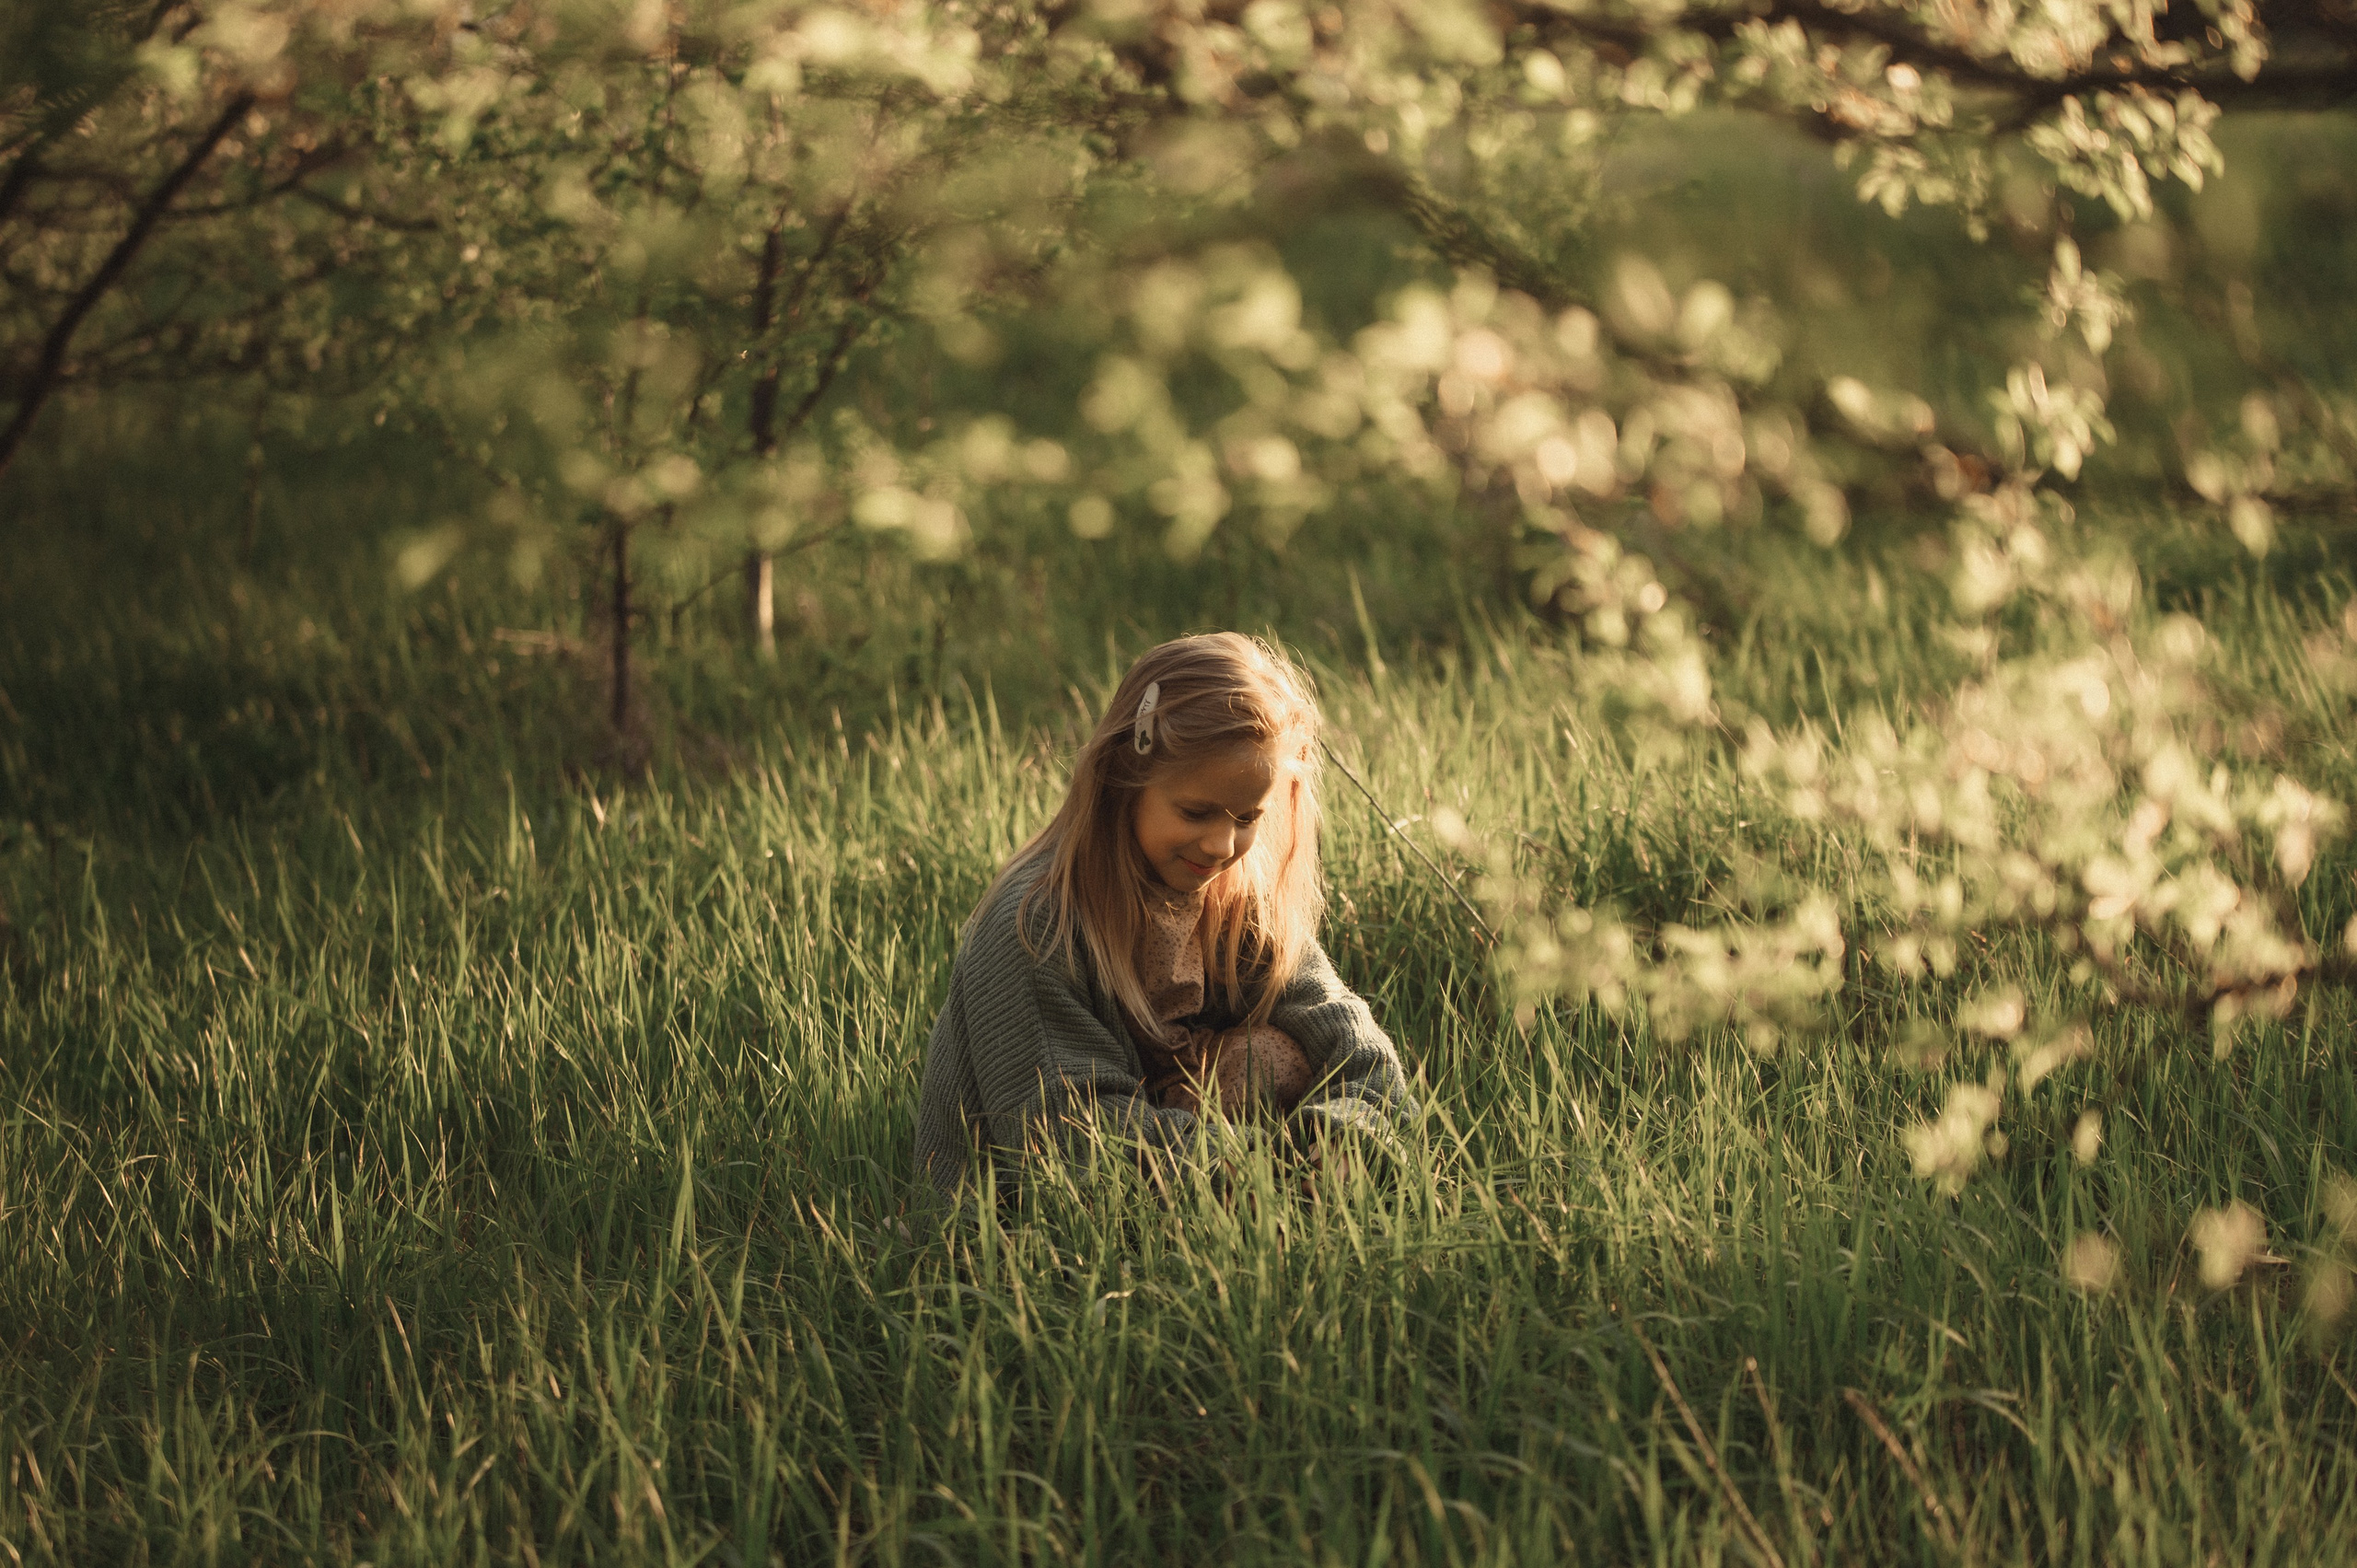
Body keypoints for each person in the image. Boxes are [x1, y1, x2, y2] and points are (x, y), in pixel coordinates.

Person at [914, 633, 1415, 1201]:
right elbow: (1061, 1139)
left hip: (1186, 1146)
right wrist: (1257, 1167)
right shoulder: (1036, 922)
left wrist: (1349, 1136)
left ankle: (1265, 1207)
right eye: (1196, 812)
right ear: (1123, 782)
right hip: (1021, 1207)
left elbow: (1345, 1031)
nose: (1224, 844)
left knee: (1278, 1054)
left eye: (1247, 816)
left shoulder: (1232, 896)